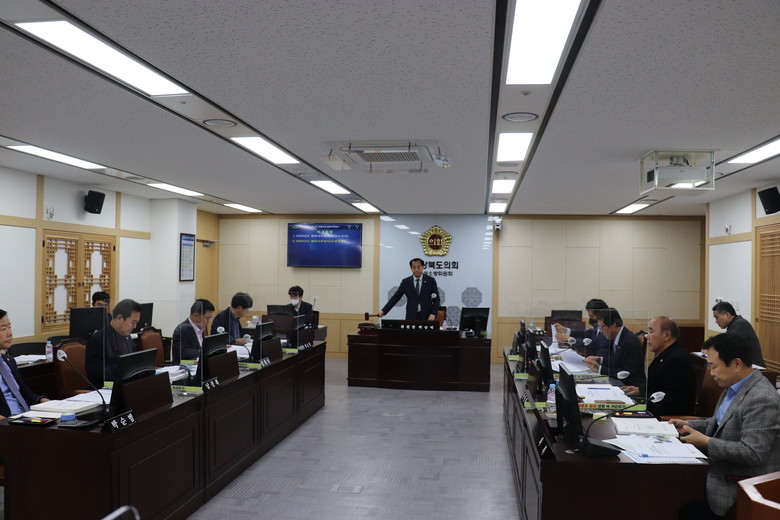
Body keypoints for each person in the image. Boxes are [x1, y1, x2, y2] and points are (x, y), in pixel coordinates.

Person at [671, 333, 780, 519]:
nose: (711, 373)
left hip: (736, 488)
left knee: (676, 503)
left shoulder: (762, 398)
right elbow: (720, 423)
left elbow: (752, 453)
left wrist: (706, 442)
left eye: (714, 366)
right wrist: (688, 424)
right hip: (715, 471)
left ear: (737, 364)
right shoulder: (734, 386)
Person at [621, 316, 696, 416]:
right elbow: (659, 386)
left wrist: (639, 412)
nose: (647, 336)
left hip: (666, 419)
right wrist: (641, 391)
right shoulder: (667, 354)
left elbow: (674, 402)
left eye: (651, 332)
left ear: (666, 335)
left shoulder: (677, 359)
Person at [0, 309, 49, 418]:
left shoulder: (9, 361)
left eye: (9, 327)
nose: (9, 333)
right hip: (7, 423)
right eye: (3, 329)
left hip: (27, 418)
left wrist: (42, 400)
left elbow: (23, 393)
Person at [583, 308, 646, 389]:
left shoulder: (629, 341)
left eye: (602, 327)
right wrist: (600, 359)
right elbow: (617, 362)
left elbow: (626, 373)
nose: (601, 331)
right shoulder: (618, 337)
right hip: (620, 381)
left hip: (630, 386)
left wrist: (600, 369)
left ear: (614, 325)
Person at [85, 299, 141, 388]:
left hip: (125, 385)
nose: (134, 327)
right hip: (105, 389)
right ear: (119, 318)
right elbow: (95, 373)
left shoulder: (128, 338)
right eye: (132, 322)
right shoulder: (98, 339)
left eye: (136, 323)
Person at [711, 301, 765, 367]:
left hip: (754, 368)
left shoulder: (741, 324)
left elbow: (728, 345)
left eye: (717, 317)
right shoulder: (734, 324)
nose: (716, 321)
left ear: (727, 315)